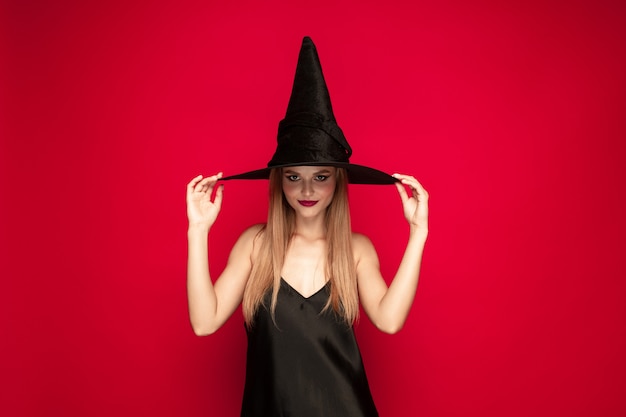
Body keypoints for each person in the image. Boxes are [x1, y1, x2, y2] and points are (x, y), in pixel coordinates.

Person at [186, 37, 428, 417]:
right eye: (294, 177)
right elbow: (204, 322)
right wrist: (197, 232)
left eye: (321, 176)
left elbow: (390, 320)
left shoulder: (356, 249)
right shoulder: (256, 244)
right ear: (279, 182)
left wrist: (418, 234)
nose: (307, 190)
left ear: (338, 182)